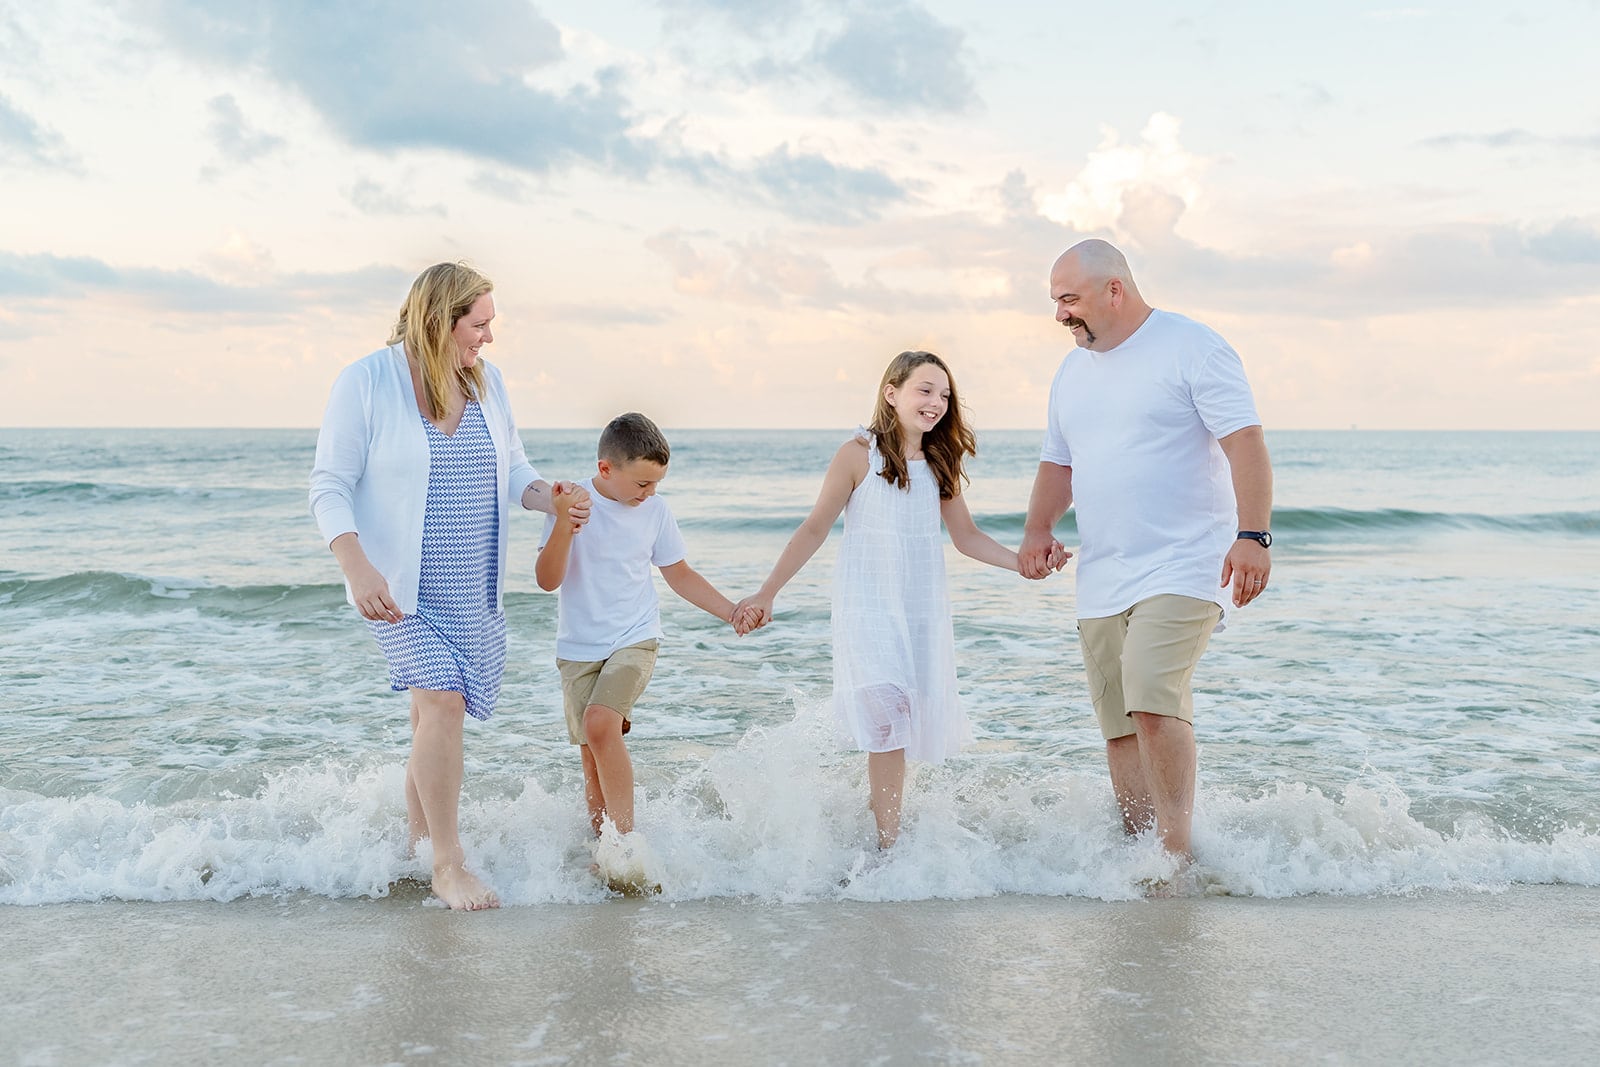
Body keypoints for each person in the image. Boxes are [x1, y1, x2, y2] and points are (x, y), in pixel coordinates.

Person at [310, 261, 590, 911]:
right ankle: (447, 863)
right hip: (398, 586)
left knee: (428, 715)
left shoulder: (485, 384)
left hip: (472, 584)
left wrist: (553, 498)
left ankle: (415, 844)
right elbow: (329, 484)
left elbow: (516, 470)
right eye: (479, 323)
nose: (489, 337)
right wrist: (355, 565)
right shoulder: (367, 381)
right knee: (441, 703)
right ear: (440, 319)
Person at [1018, 239, 1273, 871]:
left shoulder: (1192, 346)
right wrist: (1037, 528)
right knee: (1120, 724)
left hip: (1187, 562)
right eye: (1055, 301)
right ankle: (1139, 856)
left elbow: (1243, 442)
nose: (1060, 316)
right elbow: (1059, 461)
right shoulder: (1072, 371)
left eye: (1068, 300)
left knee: (1153, 700)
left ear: (1115, 290)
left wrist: (1253, 535)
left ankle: (1176, 855)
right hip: (1104, 571)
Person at [735, 351, 1028, 850]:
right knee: (889, 719)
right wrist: (768, 591)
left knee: (903, 725)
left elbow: (967, 538)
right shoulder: (858, 454)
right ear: (892, 393)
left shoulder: (941, 461)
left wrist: (1021, 562)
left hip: (918, 611)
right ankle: (888, 845)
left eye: (944, 394)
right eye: (925, 390)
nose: (936, 402)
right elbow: (814, 527)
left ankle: (885, 825)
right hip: (867, 609)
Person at [536, 412, 741, 850]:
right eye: (642, 484)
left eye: (656, 485)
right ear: (606, 470)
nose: (650, 494)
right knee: (591, 753)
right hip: (577, 647)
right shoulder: (571, 503)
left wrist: (730, 612)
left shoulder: (656, 512)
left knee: (600, 721)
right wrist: (562, 524)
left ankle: (627, 843)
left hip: (635, 637)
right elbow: (548, 579)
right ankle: (604, 849)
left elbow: (680, 574)